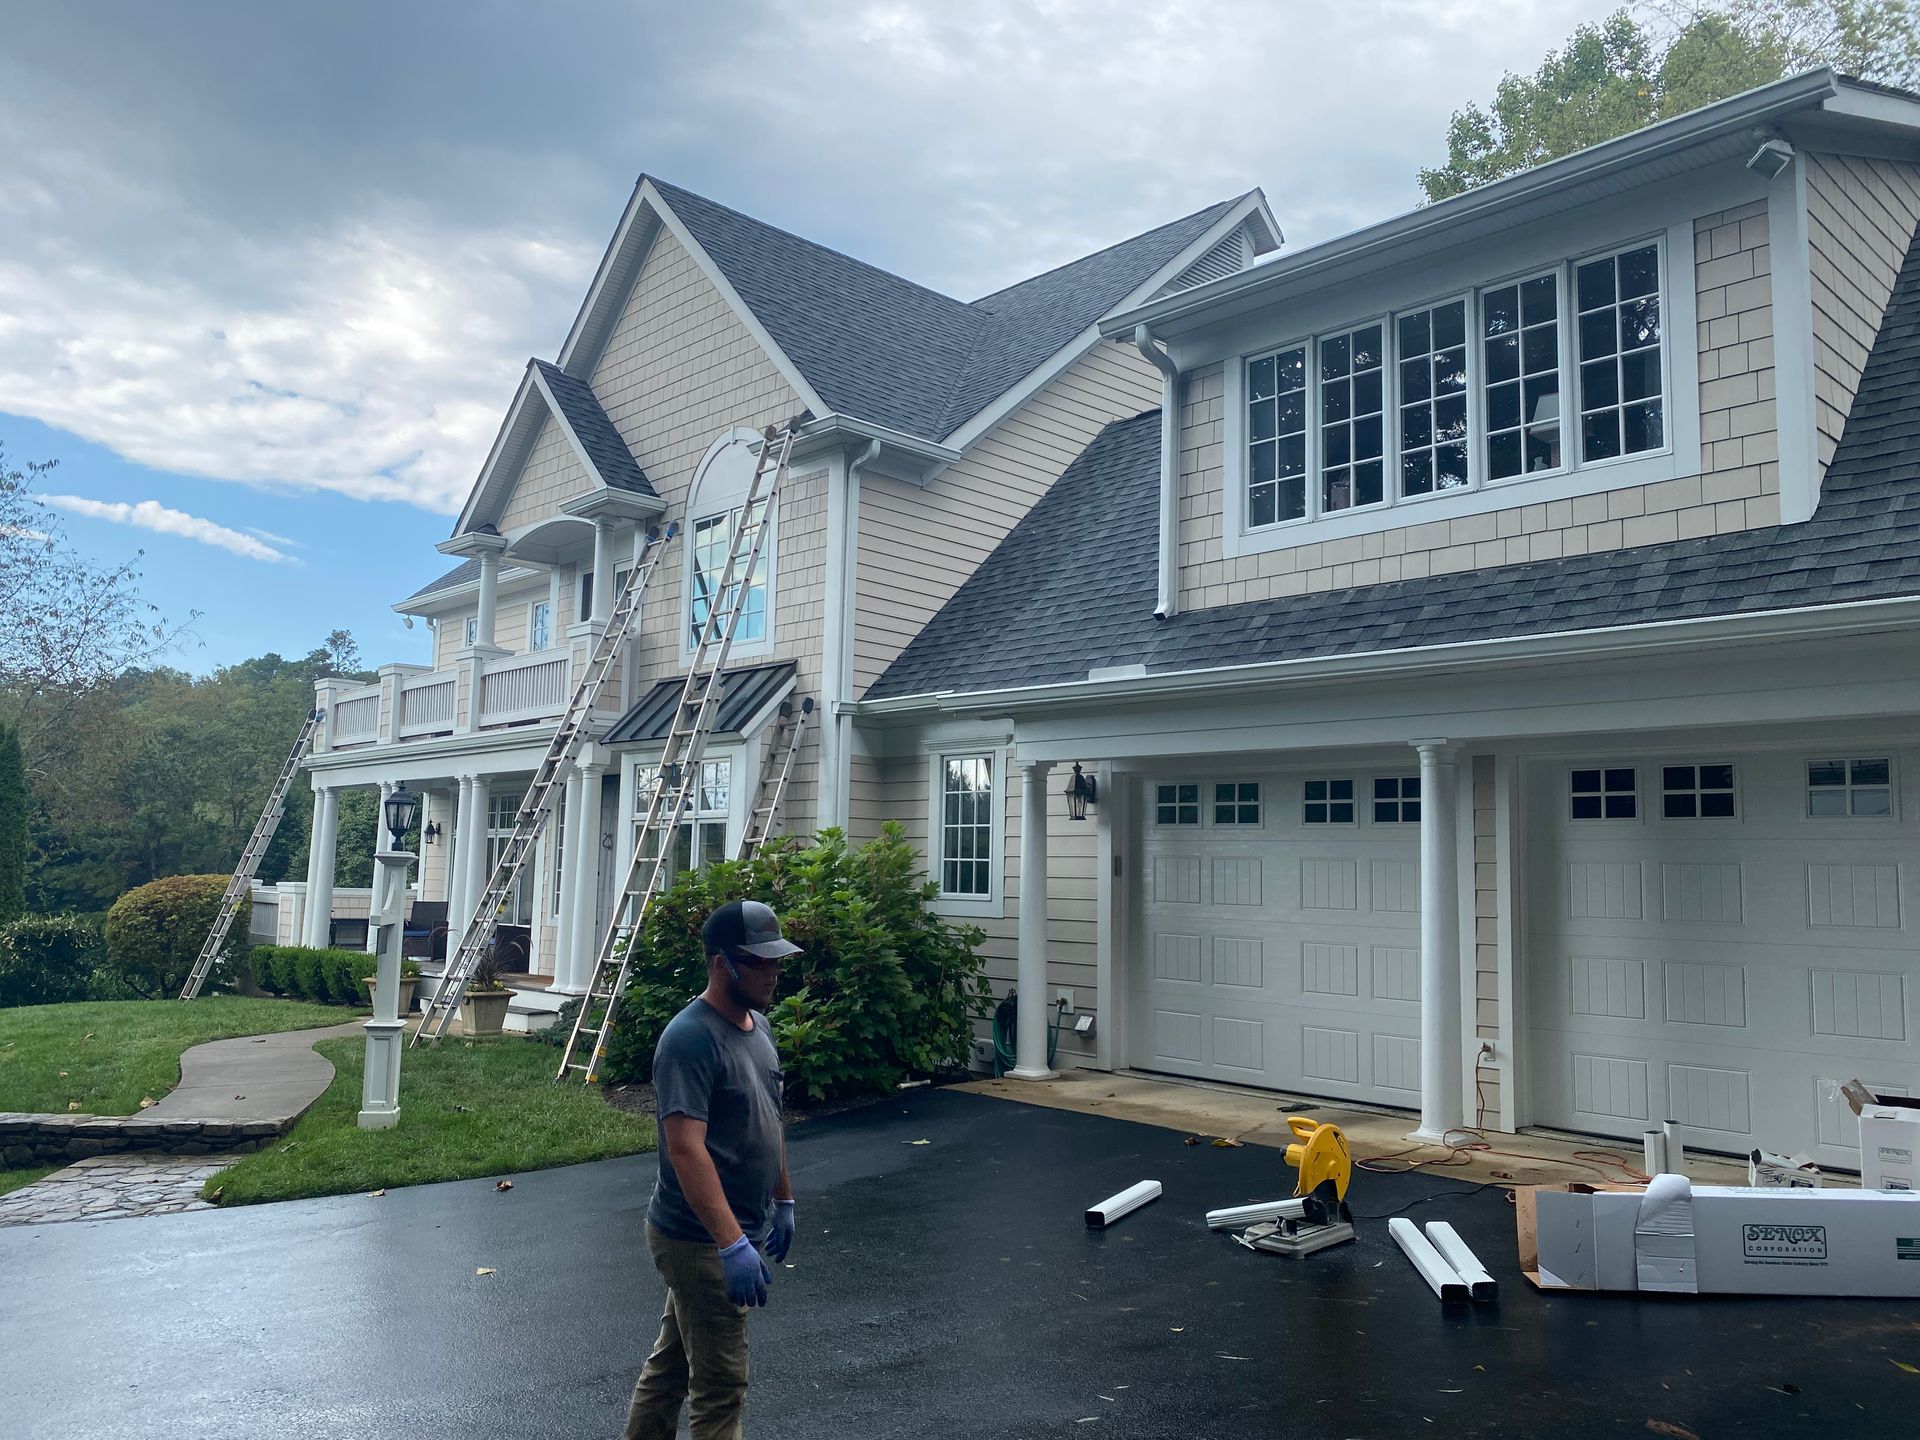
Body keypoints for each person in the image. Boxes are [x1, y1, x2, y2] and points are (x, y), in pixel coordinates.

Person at [625, 898, 801, 1440]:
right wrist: (730, 1244)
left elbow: (769, 1120)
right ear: (723, 962)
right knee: (721, 1387)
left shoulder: (760, 1027)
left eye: (777, 961)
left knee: (672, 1366)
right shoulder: (690, 1039)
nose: (773, 972)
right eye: (761, 961)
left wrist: (785, 1199)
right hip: (697, 1237)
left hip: (728, 1231)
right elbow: (685, 1148)